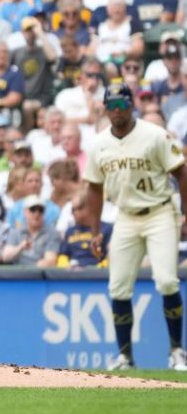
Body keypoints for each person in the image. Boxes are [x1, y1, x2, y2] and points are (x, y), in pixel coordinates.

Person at [84, 83, 187, 371]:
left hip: (160, 211)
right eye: (112, 106)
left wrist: (185, 214)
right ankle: (125, 357)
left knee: (166, 280)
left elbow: (181, 171)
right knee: (118, 286)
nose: (117, 111)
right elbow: (94, 187)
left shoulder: (154, 134)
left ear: (131, 106)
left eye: (122, 105)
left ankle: (177, 351)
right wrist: (95, 231)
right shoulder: (99, 143)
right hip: (126, 215)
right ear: (106, 109)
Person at [0, 195, 60, 267]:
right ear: (25, 212)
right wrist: (20, 247)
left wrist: (36, 267)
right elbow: (5, 257)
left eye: (41, 210)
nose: (37, 214)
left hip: (39, 272)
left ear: (44, 213)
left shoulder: (51, 233)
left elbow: (50, 260)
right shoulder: (16, 230)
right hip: (16, 271)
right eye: (33, 209)